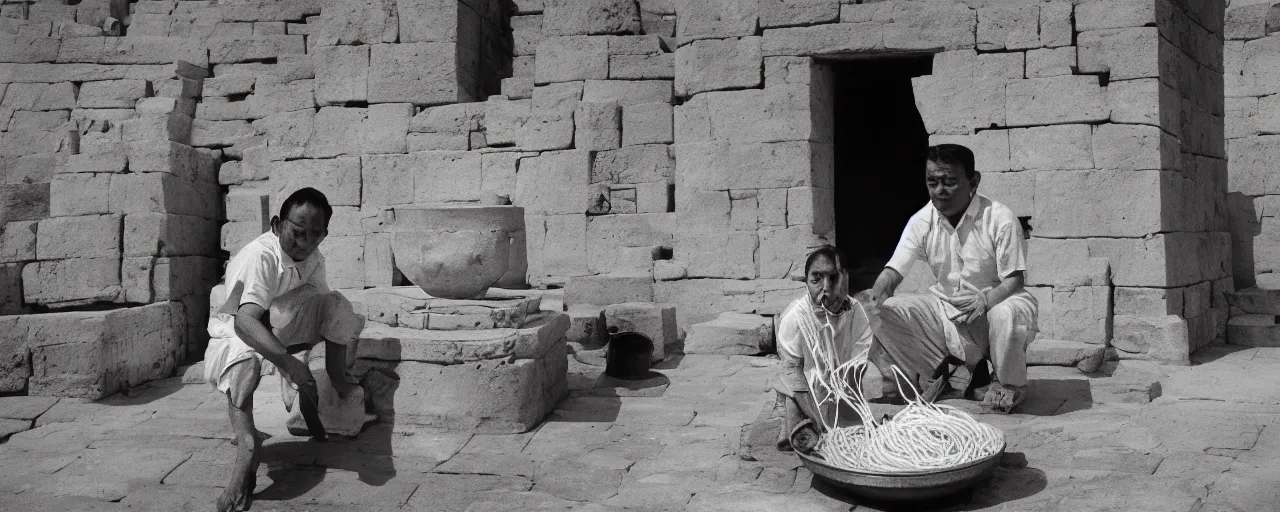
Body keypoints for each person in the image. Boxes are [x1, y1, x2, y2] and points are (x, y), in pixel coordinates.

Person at [204, 187, 365, 512]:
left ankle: (336, 385)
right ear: (277, 225)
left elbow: (319, 307)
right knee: (246, 363)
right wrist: (290, 365)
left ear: (324, 235)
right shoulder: (261, 257)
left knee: (338, 306)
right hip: (233, 329)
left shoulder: (314, 259)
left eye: (314, 235)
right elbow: (244, 322)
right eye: (297, 233)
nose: (304, 243)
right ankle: (246, 445)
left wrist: (312, 360)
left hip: (278, 323)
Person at [867, 144, 1038, 414]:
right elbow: (893, 272)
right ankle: (948, 371)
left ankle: (1009, 383)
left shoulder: (1000, 218)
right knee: (884, 311)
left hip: (996, 306)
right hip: (948, 313)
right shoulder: (922, 220)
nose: (939, 190)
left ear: (974, 181)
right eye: (932, 182)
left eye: (949, 182)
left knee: (1006, 313)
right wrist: (873, 297)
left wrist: (985, 300)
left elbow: (1015, 280)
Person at [774, 245, 875, 452]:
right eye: (816, 280)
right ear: (807, 281)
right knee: (808, 437)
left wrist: (851, 403)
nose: (825, 287)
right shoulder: (795, 317)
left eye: (833, 278)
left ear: (844, 279)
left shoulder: (856, 313)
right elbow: (793, 374)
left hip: (842, 389)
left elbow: (857, 366)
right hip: (804, 395)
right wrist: (818, 418)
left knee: (857, 438)